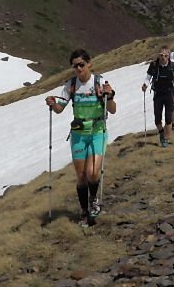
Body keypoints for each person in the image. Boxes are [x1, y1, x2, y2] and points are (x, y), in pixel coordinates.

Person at [45, 49, 116, 226]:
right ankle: (85, 210)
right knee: (81, 175)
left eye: (81, 65)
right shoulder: (71, 85)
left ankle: (93, 200)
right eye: (75, 66)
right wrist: (53, 104)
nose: (78, 69)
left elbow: (113, 109)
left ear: (89, 64)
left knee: (93, 173)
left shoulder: (99, 83)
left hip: (98, 132)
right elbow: (60, 108)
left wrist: (111, 96)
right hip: (78, 134)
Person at [141, 46, 174, 147]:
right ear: (159, 55)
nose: (163, 57)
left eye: (165, 55)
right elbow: (148, 77)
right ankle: (161, 132)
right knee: (157, 119)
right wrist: (145, 85)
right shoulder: (154, 65)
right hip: (158, 94)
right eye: (161, 55)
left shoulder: (173, 67)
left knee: (168, 119)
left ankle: (165, 139)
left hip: (169, 94)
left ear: (169, 56)